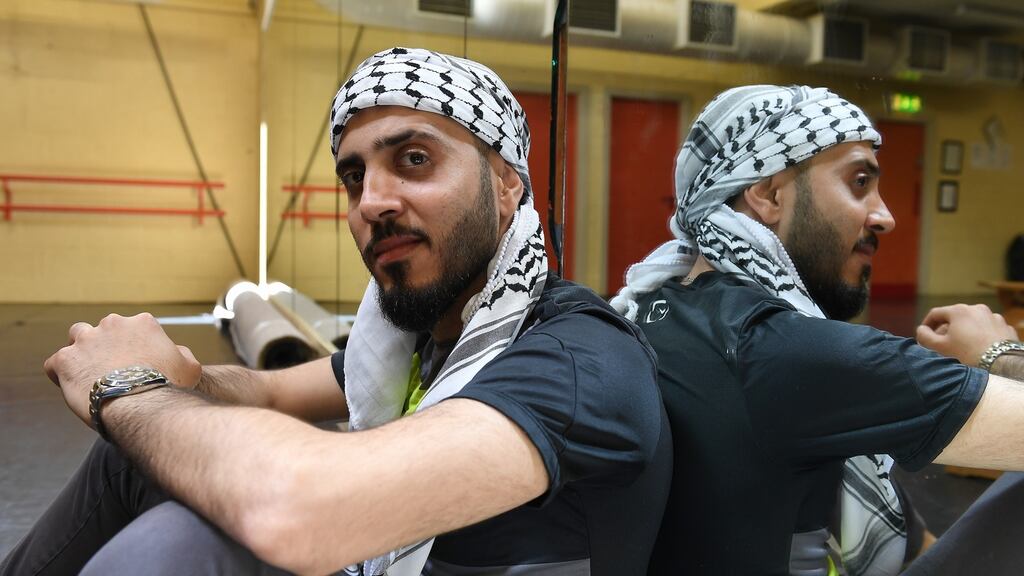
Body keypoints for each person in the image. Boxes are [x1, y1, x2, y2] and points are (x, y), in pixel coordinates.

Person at [2, 47, 671, 576]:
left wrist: (129, 391)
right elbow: (268, 389)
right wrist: (180, 378)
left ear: (505, 185)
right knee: (141, 456)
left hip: (334, 535)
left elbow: (298, 510)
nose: (371, 202)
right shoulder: (425, 338)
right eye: (355, 177)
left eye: (414, 160)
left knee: (175, 535)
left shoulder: (579, 359)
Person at [610, 84, 1024, 576]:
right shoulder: (787, 351)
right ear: (768, 194)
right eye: (859, 182)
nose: (885, 216)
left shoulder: (657, 305)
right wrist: (997, 353)